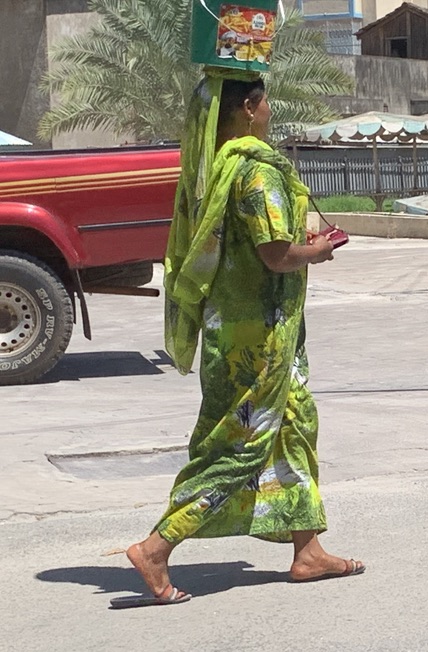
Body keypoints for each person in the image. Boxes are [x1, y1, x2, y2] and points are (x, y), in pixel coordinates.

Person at [115, 75, 363, 607]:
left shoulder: (217, 168)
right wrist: (318, 250)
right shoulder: (256, 171)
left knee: (295, 425)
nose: (269, 110)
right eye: (265, 102)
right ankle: (156, 547)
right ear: (250, 108)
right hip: (259, 337)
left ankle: (308, 550)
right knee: (241, 443)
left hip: (236, 328)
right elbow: (276, 255)